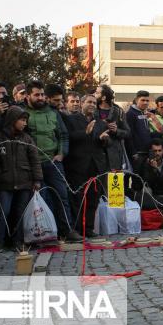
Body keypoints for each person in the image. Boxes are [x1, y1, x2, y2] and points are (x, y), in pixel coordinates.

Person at [24, 80, 80, 242]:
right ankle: (43, 234)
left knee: (62, 196)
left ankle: (67, 230)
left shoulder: (54, 113)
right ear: (28, 96)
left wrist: (62, 153)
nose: (41, 97)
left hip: (54, 163)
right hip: (33, 165)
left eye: (42, 94)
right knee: (41, 199)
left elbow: (63, 135)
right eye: (37, 95)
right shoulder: (22, 112)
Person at [0, 106, 42, 250]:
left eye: (26, 120)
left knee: (20, 213)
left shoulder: (27, 139)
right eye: (22, 120)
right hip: (5, 183)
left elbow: (35, 160)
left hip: (24, 182)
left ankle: (18, 241)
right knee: (3, 213)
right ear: (12, 120)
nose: (25, 123)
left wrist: (36, 180)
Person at [63, 93, 109, 237]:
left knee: (93, 198)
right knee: (78, 198)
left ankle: (88, 228)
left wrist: (104, 139)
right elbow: (68, 137)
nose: (92, 105)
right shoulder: (71, 119)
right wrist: (85, 132)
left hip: (96, 166)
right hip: (77, 165)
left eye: (94, 103)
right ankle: (77, 229)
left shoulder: (101, 122)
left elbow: (107, 143)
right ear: (81, 104)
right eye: (89, 102)